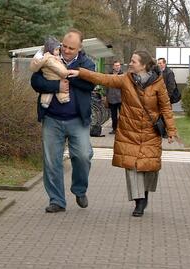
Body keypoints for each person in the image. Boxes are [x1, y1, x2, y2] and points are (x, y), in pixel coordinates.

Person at [68, 50, 177, 217]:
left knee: (149, 167)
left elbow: (165, 107)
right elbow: (104, 79)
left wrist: (171, 130)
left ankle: (145, 194)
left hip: (150, 131)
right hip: (129, 131)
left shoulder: (158, 82)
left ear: (144, 65)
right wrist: (81, 73)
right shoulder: (126, 79)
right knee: (132, 167)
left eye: (133, 61)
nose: (130, 63)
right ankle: (138, 202)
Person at [30, 29, 96, 213]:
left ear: (80, 48)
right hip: (51, 118)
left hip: (77, 120)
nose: (66, 50)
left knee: (83, 156)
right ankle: (57, 200)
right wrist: (56, 85)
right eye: (64, 46)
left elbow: (90, 85)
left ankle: (79, 189)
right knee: (52, 162)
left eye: (71, 48)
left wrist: (68, 75)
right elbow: (35, 82)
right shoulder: (49, 57)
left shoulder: (87, 64)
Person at [29, 36, 70, 108]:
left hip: (72, 114)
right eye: (56, 50)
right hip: (50, 114)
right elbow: (35, 82)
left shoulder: (53, 58)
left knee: (53, 94)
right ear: (50, 50)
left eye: (58, 49)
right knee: (50, 93)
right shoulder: (50, 59)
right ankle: (59, 99)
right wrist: (58, 84)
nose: (59, 51)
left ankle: (47, 101)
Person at [104, 61, 123, 134]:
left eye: (118, 65)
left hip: (121, 98)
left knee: (122, 116)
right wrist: (106, 96)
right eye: (116, 65)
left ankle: (121, 130)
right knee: (113, 116)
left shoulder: (123, 75)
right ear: (113, 67)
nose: (118, 67)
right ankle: (114, 129)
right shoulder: (109, 75)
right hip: (111, 98)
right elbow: (106, 86)